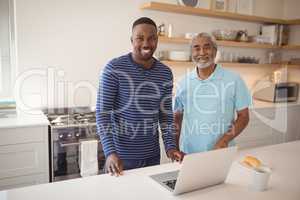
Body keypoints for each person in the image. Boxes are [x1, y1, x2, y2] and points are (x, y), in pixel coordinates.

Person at [96, 17, 183, 176]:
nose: (146, 43)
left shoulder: (165, 73)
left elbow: (165, 116)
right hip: (120, 159)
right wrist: (110, 153)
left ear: (157, 40)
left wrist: (171, 148)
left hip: (152, 157)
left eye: (151, 38)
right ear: (131, 40)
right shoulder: (114, 68)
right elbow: (103, 115)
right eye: (140, 38)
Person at [174, 33, 251, 154]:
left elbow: (244, 116)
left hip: (222, 151)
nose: (202, 52)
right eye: (196, 48)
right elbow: (177, 117)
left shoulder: (234, 79)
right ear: (191, 53)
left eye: (207, 47)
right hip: (189, 152)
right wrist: (175, 148)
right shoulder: (183, 82)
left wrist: (225, 140)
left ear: (215, 51)